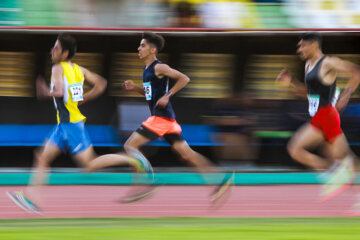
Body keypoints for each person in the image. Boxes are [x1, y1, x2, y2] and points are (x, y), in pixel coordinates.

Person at [7, 33, 151, 213]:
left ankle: (134, 161)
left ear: (65, 53)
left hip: (71, 125)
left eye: (56, 48)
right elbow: (101, 83)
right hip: (64, 125)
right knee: (42, 157)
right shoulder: (79, 69)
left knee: (89, 165)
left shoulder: (57, 68)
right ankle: (32, 199)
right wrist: (85, 98)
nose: (52, 51)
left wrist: (45, 91)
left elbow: (59, 91)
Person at [123, 31, 233, 203]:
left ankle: (146, 183)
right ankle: (221, 179)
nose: (139, 48)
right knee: (187, 154)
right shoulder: (146, 70)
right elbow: (150, 94)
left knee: (130, 146)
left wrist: (168, 95)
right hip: (168, 120)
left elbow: (184, 78)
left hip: (160, 119)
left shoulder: (159, 67)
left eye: (142, 45)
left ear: (152, 50)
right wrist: (135, 88)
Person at [276, 32, 360, 202]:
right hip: (317, 118)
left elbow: (356, 71)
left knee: (299, 150)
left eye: (303, 45)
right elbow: (308, 94)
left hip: (328, 116)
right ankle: (333, 171)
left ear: (314, 44)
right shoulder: (308, 65)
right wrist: (292, 80)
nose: (299, 49)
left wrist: (347, 94)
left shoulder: (328, 63)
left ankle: (333, 172)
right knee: (345, 162)